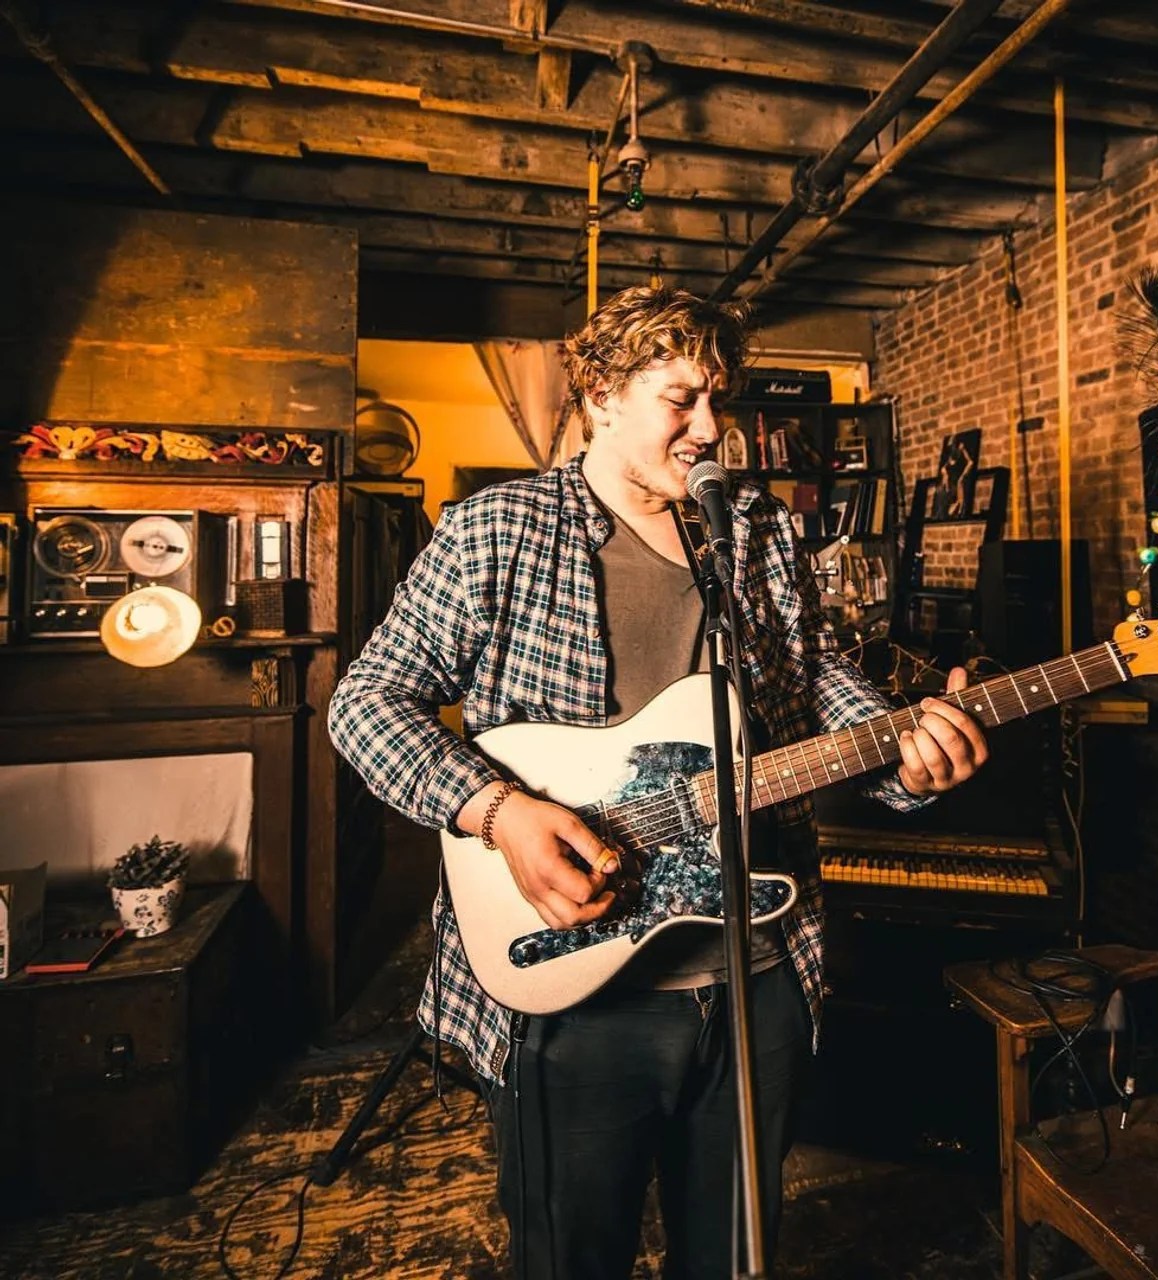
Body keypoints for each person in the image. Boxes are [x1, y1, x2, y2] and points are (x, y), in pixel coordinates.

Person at [327, 286, 988, 1279]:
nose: (710, 428)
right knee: (573, 1257)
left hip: (757, 972)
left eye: (718, 400)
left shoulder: (756, 531)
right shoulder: (497, 530)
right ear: (600, 396)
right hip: (570, 995)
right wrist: (499, 812)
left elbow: (812, 681)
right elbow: (365, 702)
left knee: (730, 1256)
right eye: (680, 400)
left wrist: (910, 757)